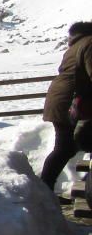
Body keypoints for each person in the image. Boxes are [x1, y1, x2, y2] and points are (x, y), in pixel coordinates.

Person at [40, 21, 92, 193]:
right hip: (69, 102)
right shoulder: (90, 43)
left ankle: (45, 189)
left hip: (62, 100)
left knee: (65, 148)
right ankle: (44, 190)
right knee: (64, 148)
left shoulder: (77, 45)